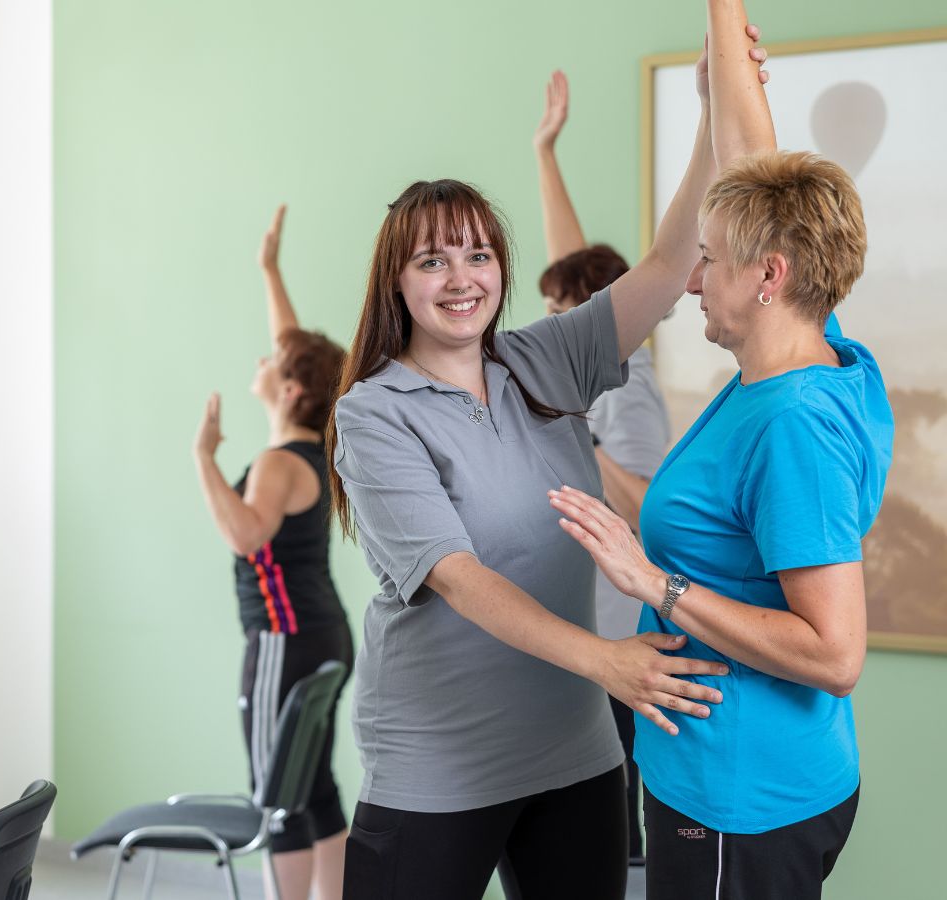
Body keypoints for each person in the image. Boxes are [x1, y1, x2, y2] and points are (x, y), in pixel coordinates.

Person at [327, 25, 769, 900]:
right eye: (433, 259)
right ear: (397, 283)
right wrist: (607, 662)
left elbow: (672, 259)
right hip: (438, 763)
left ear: (503, 270)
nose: (462, 277)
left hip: (573, 753)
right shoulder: (371, 412)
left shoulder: (545, 360)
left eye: (479, 254)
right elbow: (458, 576)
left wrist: (714, 111)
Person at [548, 2, 891, 898]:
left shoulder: (791, 426)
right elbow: (756, 167)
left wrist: (652, 582)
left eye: (710, 261)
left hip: (743, 796)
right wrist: (720, 34)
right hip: (751, 773)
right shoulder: (811, 346)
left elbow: (835, 651)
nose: (691, 279)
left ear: (768, 275)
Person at [532, 68, 676, 865]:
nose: (552, 331)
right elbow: (574, 262)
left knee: (613, 833)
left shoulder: (630, 386)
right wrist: (545, 152)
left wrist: (577, 440)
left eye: (564, 316)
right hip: (583, 635)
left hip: (622, 642)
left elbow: (646, 500)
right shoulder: (591, 376)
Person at [193, 205, 353, 900]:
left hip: (282, 643)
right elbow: (296, 349)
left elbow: (245, 535)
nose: (263, 359)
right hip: (324, 635)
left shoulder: (274, 463)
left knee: (276, 795)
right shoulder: (315, 444)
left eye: (273, 363)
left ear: (289, 390)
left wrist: (203, 458)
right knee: (313, 787)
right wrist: (269, 269)